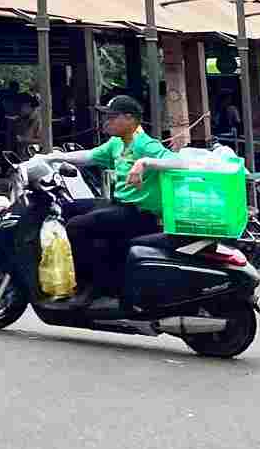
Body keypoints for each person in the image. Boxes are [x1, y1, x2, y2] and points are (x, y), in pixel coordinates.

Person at [39, 95, 176, 304]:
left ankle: (93, 286)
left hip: (140, 214)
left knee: (76, 227)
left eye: (112, 117)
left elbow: (177, 162)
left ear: (130, 119)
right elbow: (89, 156)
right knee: (66, 208)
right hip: (119, 205)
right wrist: (52, 157)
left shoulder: (145, 144)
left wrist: (144, 163)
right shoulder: (117, 143)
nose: (107, 122)